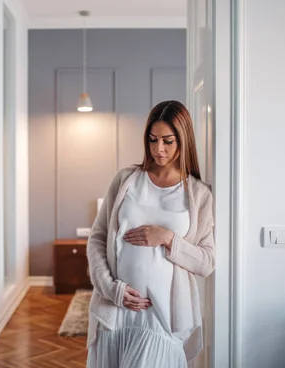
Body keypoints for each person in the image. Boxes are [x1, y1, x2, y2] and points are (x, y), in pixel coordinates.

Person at [86, 100, 215, 368]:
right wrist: (111, 289)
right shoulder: (125, 180)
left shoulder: (198, 194)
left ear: (183, 140)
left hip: (162, 316)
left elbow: (206, 262)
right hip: (115, 312)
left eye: (168, 141)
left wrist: (168, 238)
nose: (159, 149)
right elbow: (97, 238)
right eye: (153, 139)